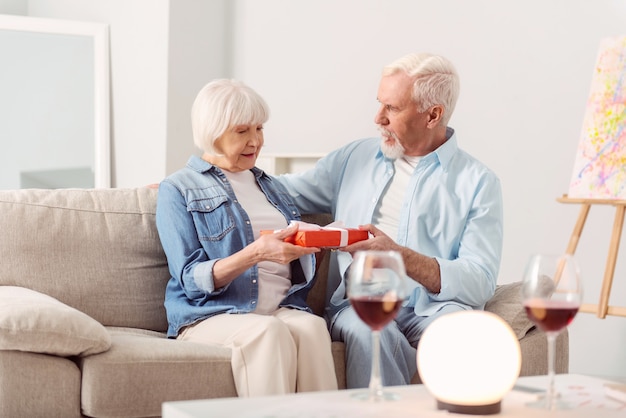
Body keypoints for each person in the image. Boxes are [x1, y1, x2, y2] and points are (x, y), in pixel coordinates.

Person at [276, 53, 503, 388]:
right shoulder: (355, 157)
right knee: (371, 333)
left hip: (434, 309)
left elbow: (480, 279)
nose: (377, 118)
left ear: (433, 115)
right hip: (360, 303)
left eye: (392, 109)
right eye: (379, 104)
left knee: (461, 335)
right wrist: (212, 178)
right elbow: (283, 191)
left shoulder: (478, 182)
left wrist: (399, 257)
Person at [155, 79, 338, 397]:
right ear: (213, 133)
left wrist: (309, 248)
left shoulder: (272, 187)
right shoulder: (178, 188)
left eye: (259, 129)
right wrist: (255, 253)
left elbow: (294, 267)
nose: (256, 141)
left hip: (279, 306)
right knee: (268, 332)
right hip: (214, 313)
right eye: (242, 131)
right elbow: (190, 279)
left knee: (311, 328)